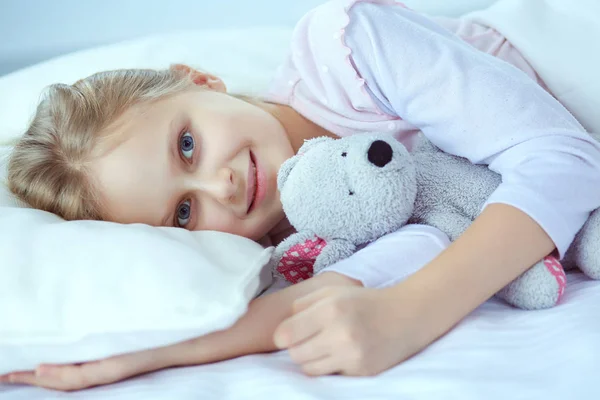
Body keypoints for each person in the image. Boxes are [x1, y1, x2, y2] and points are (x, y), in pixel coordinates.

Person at [3, 0, 600, 392]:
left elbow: (563, 161)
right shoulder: (296, 234)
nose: (221, 185)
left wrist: (411, 313)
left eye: (187, 145)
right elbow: (363, 277)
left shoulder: (345, 49)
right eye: (184, 213)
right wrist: (146, 355)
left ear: (199, 79)